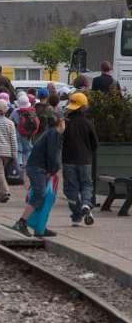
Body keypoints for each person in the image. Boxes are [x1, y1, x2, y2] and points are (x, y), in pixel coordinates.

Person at [12, 116, 66, 237]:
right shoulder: (54, 134)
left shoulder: (50, 133)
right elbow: (53, 155)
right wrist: (54, 169)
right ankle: (21, 223)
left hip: (38, 167)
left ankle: (40, 226)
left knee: (45, 197)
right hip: (38, 169)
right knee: (39, 195)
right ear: (60, 123)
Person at [62, 92, 98, 227]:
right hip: (85, 160)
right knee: (86, 185)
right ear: (84, 107)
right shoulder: (88, 123)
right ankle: (86, 204)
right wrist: (89, 154)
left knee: (70, 188)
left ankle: (76, 216)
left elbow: (60, 140)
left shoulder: (66, 123)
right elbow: (95, 143)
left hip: (68, 160)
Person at [10, 92, 38, 172]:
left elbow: (10, 120)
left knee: (19, 147)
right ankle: (29, 163)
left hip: (18, 131)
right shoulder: (31, 111)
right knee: (28, 148)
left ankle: (19, 162)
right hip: (28, 132)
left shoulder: (15, 111)